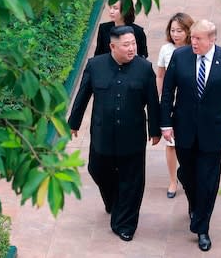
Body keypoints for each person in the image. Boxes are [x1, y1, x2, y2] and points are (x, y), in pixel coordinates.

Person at [68, 26, 161, 242]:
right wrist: (73, 123)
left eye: (134, 44)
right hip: (102, 135)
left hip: (133, 137)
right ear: (112, 46)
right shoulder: (95, 65)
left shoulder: (144, 68)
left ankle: (125, 224)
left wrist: (155, 130)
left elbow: (153, 104)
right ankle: (113, 201)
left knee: (132, 181)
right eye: (126, 45)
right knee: (97, 169)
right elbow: (83, 95)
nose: (131, 48)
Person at [160, 19, 221, 251]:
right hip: (184, 129)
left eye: (198, 38)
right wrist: (165, 124)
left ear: (212, 39)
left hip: (213, 133)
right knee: (188, 175)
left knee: (208, 182)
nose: (193, 42)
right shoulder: (180, 56)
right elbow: (168, 92)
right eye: (192, 37)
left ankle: (202, 227)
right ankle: (194, 202)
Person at [156, 12, 194, 198]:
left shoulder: (196, 48)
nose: (176, 34)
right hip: (170, 103)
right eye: (173, 30)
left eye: (180, 30)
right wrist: (161, 97)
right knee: (171, 143)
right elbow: (160, 75)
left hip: (189, 104)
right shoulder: (166, 50)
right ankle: (173, 180)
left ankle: (188, 176)